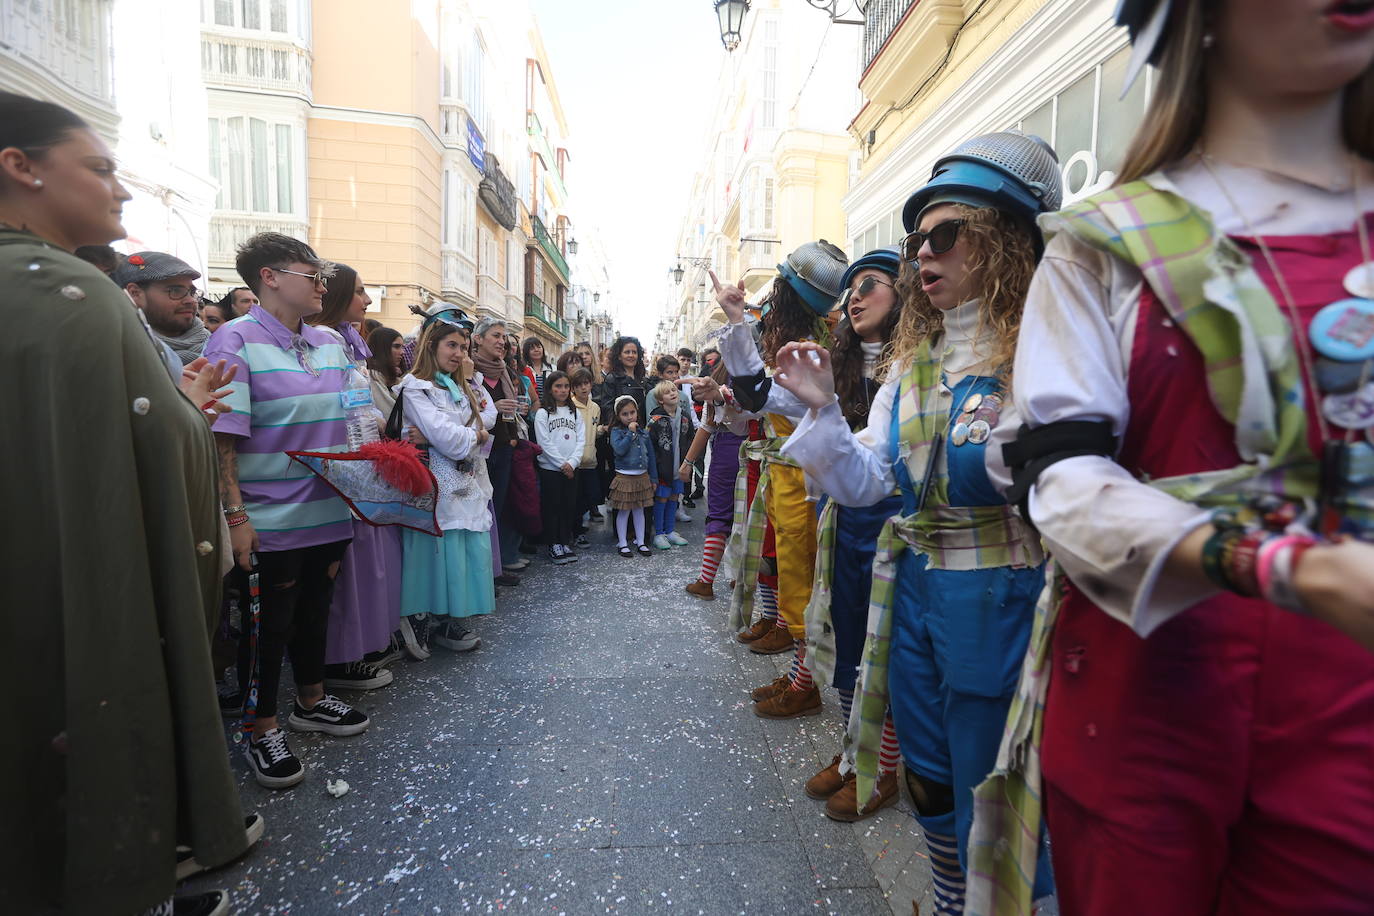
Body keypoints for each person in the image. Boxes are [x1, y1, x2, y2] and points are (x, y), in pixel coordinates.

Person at [969, 4, 1374, 914]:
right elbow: (1054, 475)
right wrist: (1278, 562)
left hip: (1351, 710)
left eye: (951, 236)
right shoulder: (1098, 246)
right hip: (1150, 698)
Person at [772, 132, 1062, 913]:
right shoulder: (912, 364)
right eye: (915, 242)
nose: (921, 255)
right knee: (930, 779)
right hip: (915, 596)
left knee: (995, 790)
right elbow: (868, 482)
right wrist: (826, 412)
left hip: (999, 597)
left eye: (943, 234)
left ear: (1002, 240)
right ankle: (945, 903)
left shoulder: (1045, 351)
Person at [0, 89, 249, 916]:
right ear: (21, 167)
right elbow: (132, 453)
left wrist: (174, 403)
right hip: (76, 587)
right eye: (100, 169)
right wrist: (183, 414)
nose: (122, 190)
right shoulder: (68, 295)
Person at [207, 231, 371, 791]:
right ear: (270, 278)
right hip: (269, 515)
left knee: (314, 610)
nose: (323, 285)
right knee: (266, 625)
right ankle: (261, 727)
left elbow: (353, 414)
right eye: (312, 275)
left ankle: (312, 700)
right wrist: (236, 516)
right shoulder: (234, 340)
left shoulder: (328, 339)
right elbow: (223, 441)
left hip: (330, 506)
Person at [716, 240, 849, 717]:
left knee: (803, 586)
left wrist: (735, 320)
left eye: (778, 289)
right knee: (794, 577)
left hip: (805, 487)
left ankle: (805, 686)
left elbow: (756, 393)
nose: (768, 298)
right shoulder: (805, 341)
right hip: (788, 480)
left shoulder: (809, 352)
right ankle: (799, 676)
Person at [304, 263, 401, 690]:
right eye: (359, 292)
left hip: (359, 462)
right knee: (345, 573)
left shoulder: (347, 343)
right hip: (341, 468)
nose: (366, 300)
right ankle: (338, 659)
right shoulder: (326, 342)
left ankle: (355, 649)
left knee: (362, 567)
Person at [394, 309, 496, 657]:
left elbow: (489, 418)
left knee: (464, 553)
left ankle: (451, 618)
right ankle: (423, 616)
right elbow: (451, 439)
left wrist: (473, 428)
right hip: (435, 488)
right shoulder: (415, 388)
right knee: (437, 554)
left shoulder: (460, 385)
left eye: (464, 347)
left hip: (467, 485)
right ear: (431, 345)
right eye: (452, 345)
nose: (459, 354)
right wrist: (476, 435)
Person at [682, 356, 750, 600]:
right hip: (758, 449)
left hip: (727, 451)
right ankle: (738, 576)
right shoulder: (757, 372)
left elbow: (707, 425)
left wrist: (687, 462)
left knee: (720, 514)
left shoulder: (724, 376)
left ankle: (706, 580)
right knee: (749, 515)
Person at [471, 317, 527, 580]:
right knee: (479, 507)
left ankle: (495, 566)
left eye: (503, 337)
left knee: (498, 506)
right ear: (478, 339)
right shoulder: (468, 370)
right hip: (477, 446)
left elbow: (512, 408)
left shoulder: (505, 370)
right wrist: (495, 407)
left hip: (503, 446)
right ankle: (481, 571)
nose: (501, 342)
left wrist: (513, 433)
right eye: (495, 336)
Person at [115, 250, 211, 365]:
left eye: (192, 292)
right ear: (134, 293)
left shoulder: (220, 346)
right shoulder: (115, 353)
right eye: (176, 291)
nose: (191, 300)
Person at [534, 369, 585, 565]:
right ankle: (552, 543)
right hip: (551, 469)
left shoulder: (575, 412)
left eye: (565, 386)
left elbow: (581, 439)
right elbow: (544, 442)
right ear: (550, 389)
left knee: (568, 506)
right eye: (558, 386)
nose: (562, 390)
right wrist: (562, 464)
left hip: (572, 468)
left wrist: (572, 463)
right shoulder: (543, 413)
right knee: (552, 506)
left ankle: (564, 541)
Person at [608, 395, 656, 557]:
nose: (629, 417)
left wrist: (653, 478)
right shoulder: (616, 431)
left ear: (637, 413)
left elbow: (651, 456)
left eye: (632, 412)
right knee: (624, 511)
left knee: (639, 510)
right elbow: (619, 450)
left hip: (642, 476)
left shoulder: (643, 432)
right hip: (624, 477)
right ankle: (622, 543)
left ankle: (641, 541)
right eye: (625, 414)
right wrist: (630, 434)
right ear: (618, 416)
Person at [647, 379, 692, 549]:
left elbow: (690, 441)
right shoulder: (655, 420)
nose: (673, 393)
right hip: (662, 470)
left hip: (678, 468)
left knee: (675, 497)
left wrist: (688, 464)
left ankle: (670, 531)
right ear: (660, 400)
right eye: (667, 392)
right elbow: (649, 447)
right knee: (662, 498)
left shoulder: (685, 418)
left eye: (674, 390)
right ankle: (659, 533)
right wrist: (654, 470)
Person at [568, 367, 604, 544]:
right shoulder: (570, 406)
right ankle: (576, 531)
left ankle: (577, 527)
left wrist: (601, 430)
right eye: (579, 384)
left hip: (590, 460)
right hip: (574, 462)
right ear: (573, 388)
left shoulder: (595, 407)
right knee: (574, 499)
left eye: (586, 383)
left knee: (590, 496)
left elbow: (593, 430)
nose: (583, 387)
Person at [599, 335, 650, 422]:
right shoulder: (612, 379)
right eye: (627, 352)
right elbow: (607, 408)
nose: (631, 355)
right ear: (619, 356)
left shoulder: (643, 380)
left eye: (634, 352)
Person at [366, 325, 404, 415]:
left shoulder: (391, 377)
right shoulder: (373, 376)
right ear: (382, 348)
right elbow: (390, 415)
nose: (402, 352)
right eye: (396, 346)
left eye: (402, 347)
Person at [520, 336, 552, 401]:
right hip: (532, 407)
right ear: (526, 352)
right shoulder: (523, 369)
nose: (536, 350)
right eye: (532, 348)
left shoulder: (552, 368)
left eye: (539, 347)